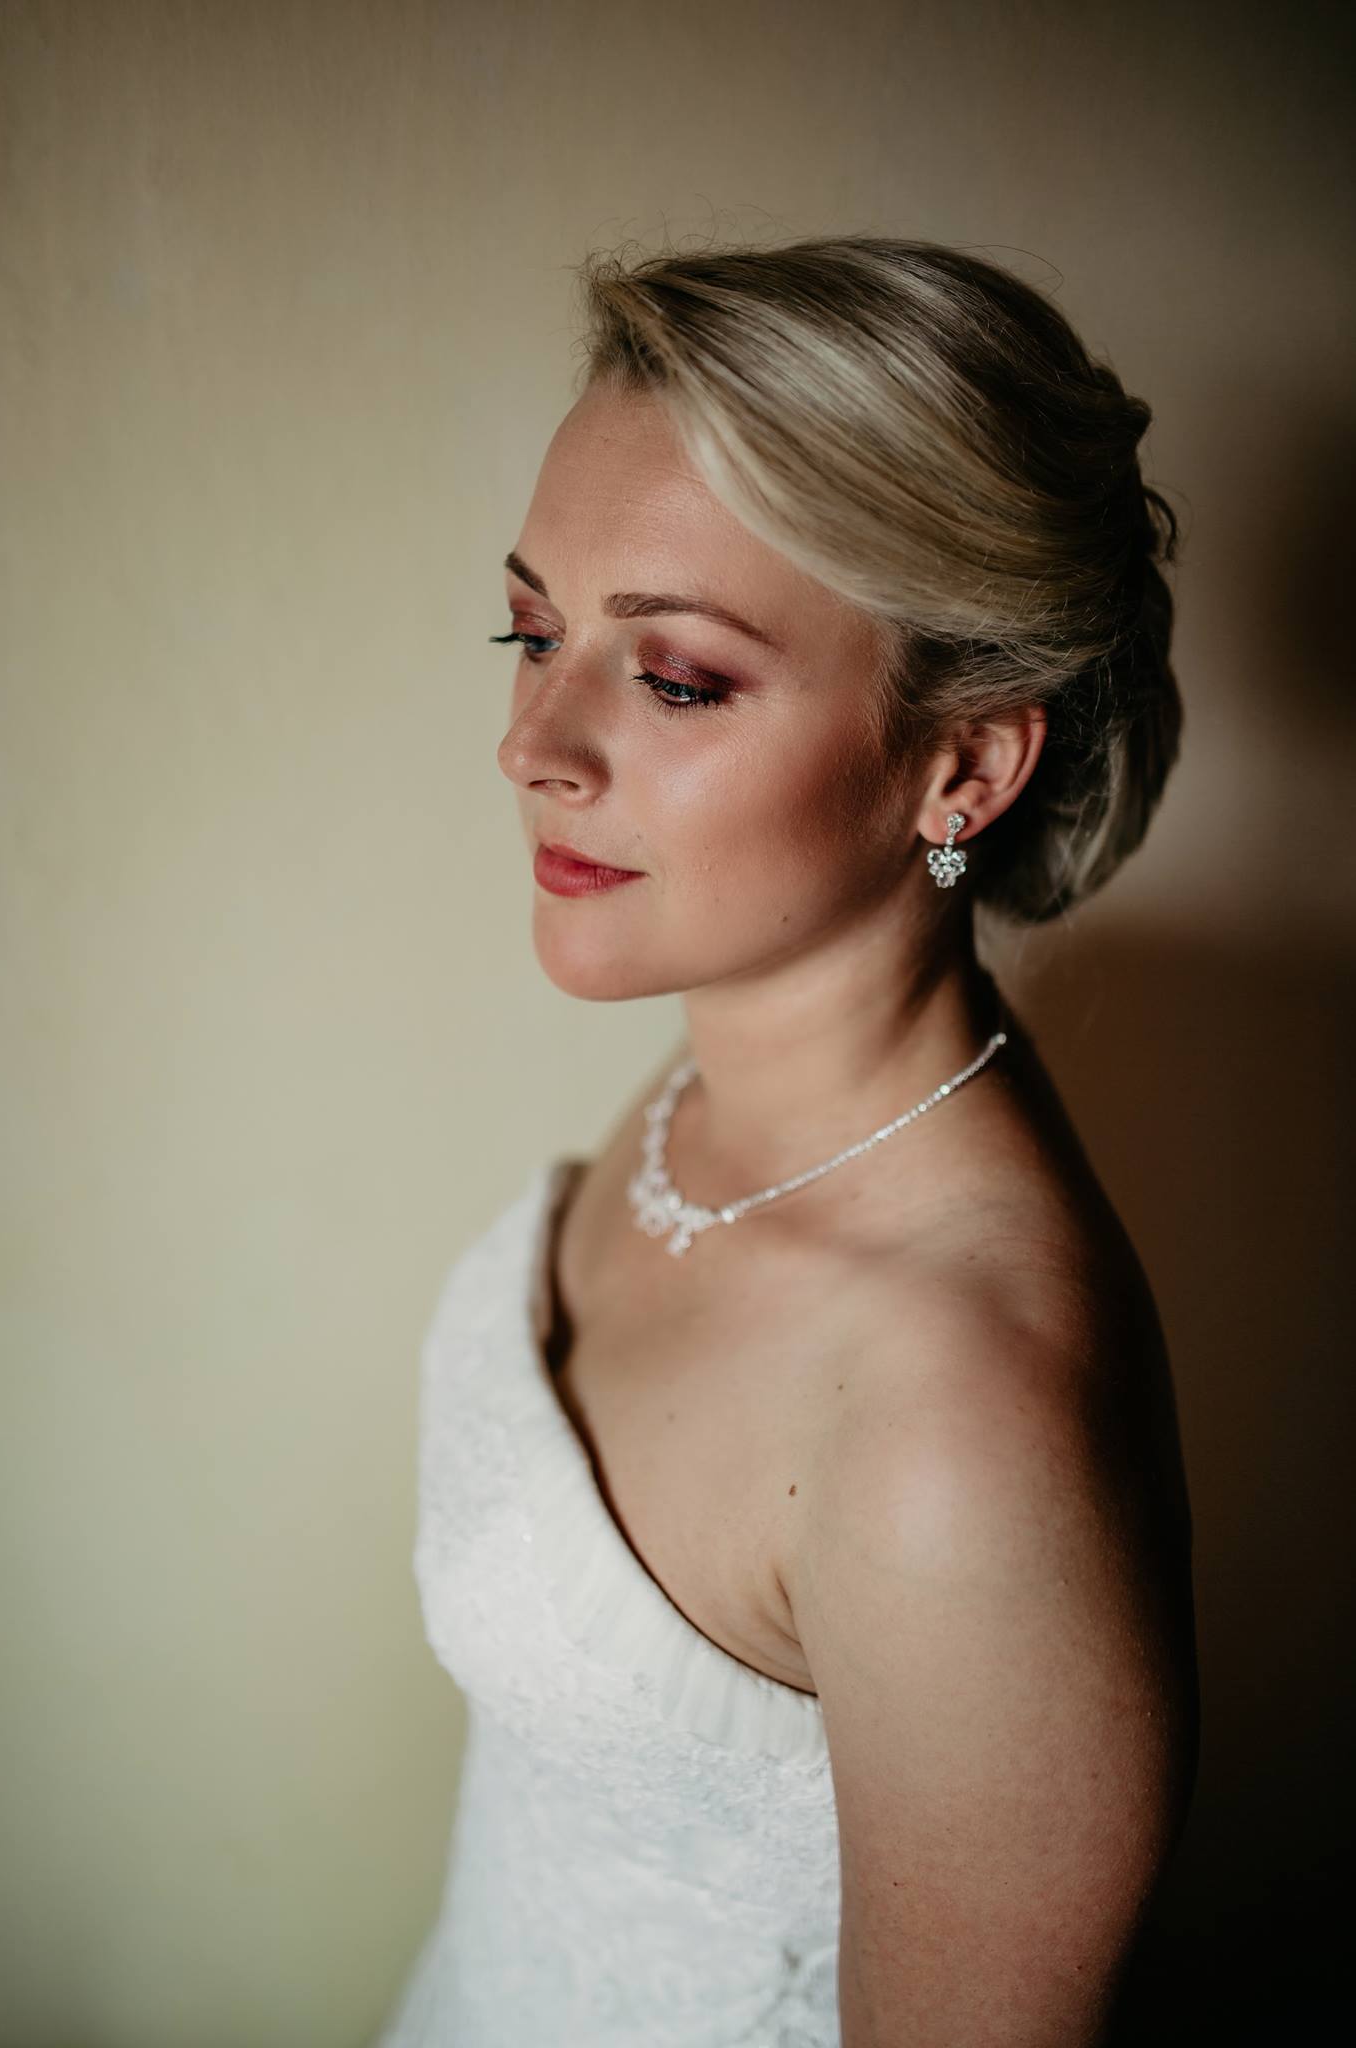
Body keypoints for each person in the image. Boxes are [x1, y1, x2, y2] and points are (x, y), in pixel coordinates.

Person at [377, 233, 1199, 2048]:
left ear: (960, 770)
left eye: (675, 677)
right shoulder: (714, 1093)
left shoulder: (954, 1426)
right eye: (531, 632)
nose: (534, 741)